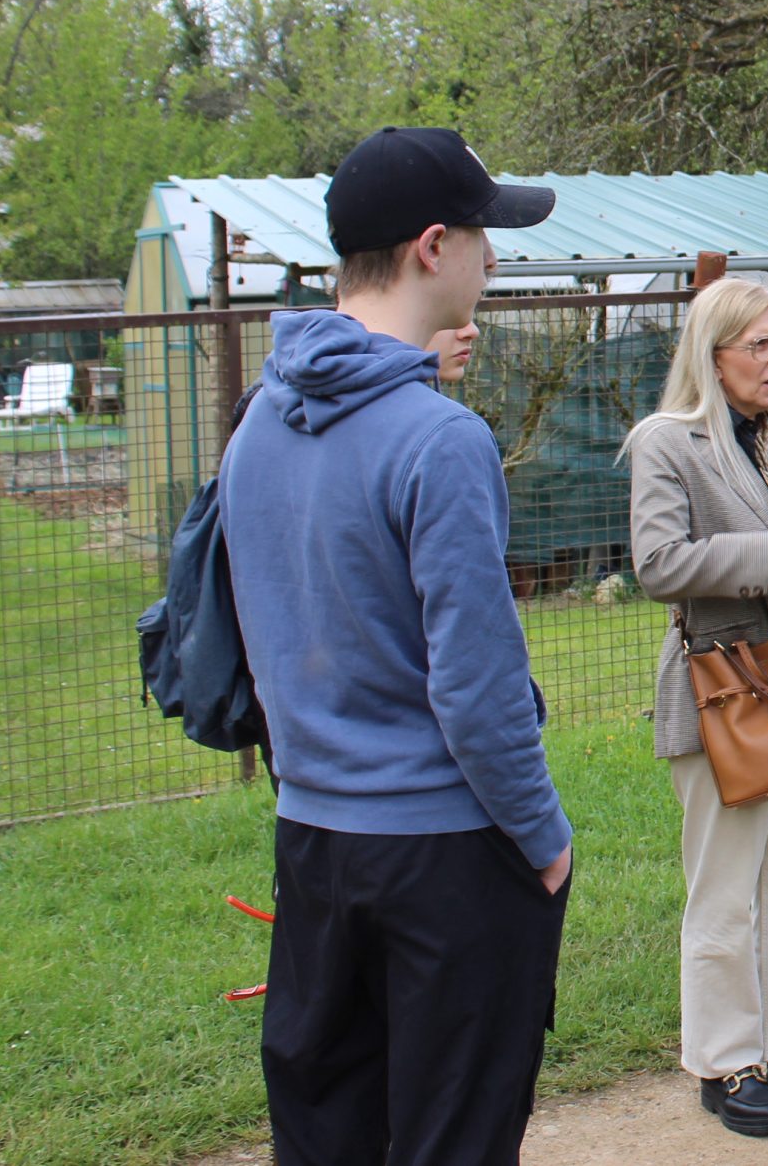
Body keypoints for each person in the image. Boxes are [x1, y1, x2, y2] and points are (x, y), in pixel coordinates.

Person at [220, 126, 570, 1166]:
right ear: (431, 246)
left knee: (327, 1136)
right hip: (445, 855)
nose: (491, 257)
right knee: (454, 1136)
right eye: (480, 234)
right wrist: (542, 838)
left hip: (313, 842)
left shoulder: (258, 423)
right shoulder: (440, 439)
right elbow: (476, 687)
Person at [624, 278, 768, 1139]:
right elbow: (659, 563)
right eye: (759, 344)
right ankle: (726, 1060)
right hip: (718, 692)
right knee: (725, 889)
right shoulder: (666, 443)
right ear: (712, 352)